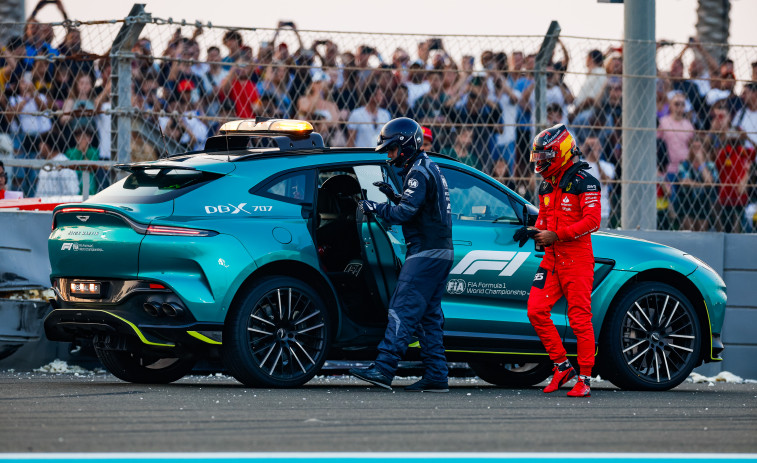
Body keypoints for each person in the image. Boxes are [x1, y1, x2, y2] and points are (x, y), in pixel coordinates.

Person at [349, 117, 453, 392]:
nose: (389, 155)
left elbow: (405, 214)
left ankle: (383, 368)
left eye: (392, 149)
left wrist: (376, 207)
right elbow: (418, 207)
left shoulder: (418, 171)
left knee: (402, 309)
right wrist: (393, 195)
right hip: (440, 251)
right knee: (429, 316)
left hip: (425, 252)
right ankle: (437, 375)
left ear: (405, 145)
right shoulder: (426, 167)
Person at [515, 124, 601, 397]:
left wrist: (556, 235)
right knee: (536, 310)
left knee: (579, 320)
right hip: (552, 260)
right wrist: (530, 231)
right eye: (538, 159)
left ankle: (585, 379)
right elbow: (543, 222)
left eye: (545, 158)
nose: (541, 163)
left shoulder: (586, 182)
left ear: (561, 153)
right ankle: (562, 366)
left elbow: (593, 221)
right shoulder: (546, 185)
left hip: (577, 261)